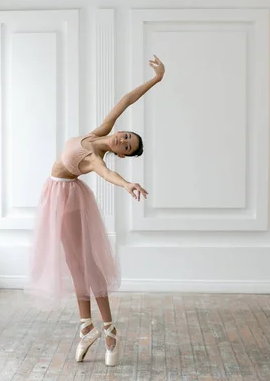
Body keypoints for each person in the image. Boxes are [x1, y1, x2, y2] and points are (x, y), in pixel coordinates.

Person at [25, 55, 165, 366]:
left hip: (67, 200)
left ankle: (110, 330)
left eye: (125, 146)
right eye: (126, 137)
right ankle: (87, 327)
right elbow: (126, 100)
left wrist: (126, 184)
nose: (123, 140)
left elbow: (107, 174)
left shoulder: (93, 157)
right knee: (76, 265)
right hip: (56, 194)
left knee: (87, 263)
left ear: (120, 154)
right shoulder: (99, 132)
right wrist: (156, 79)